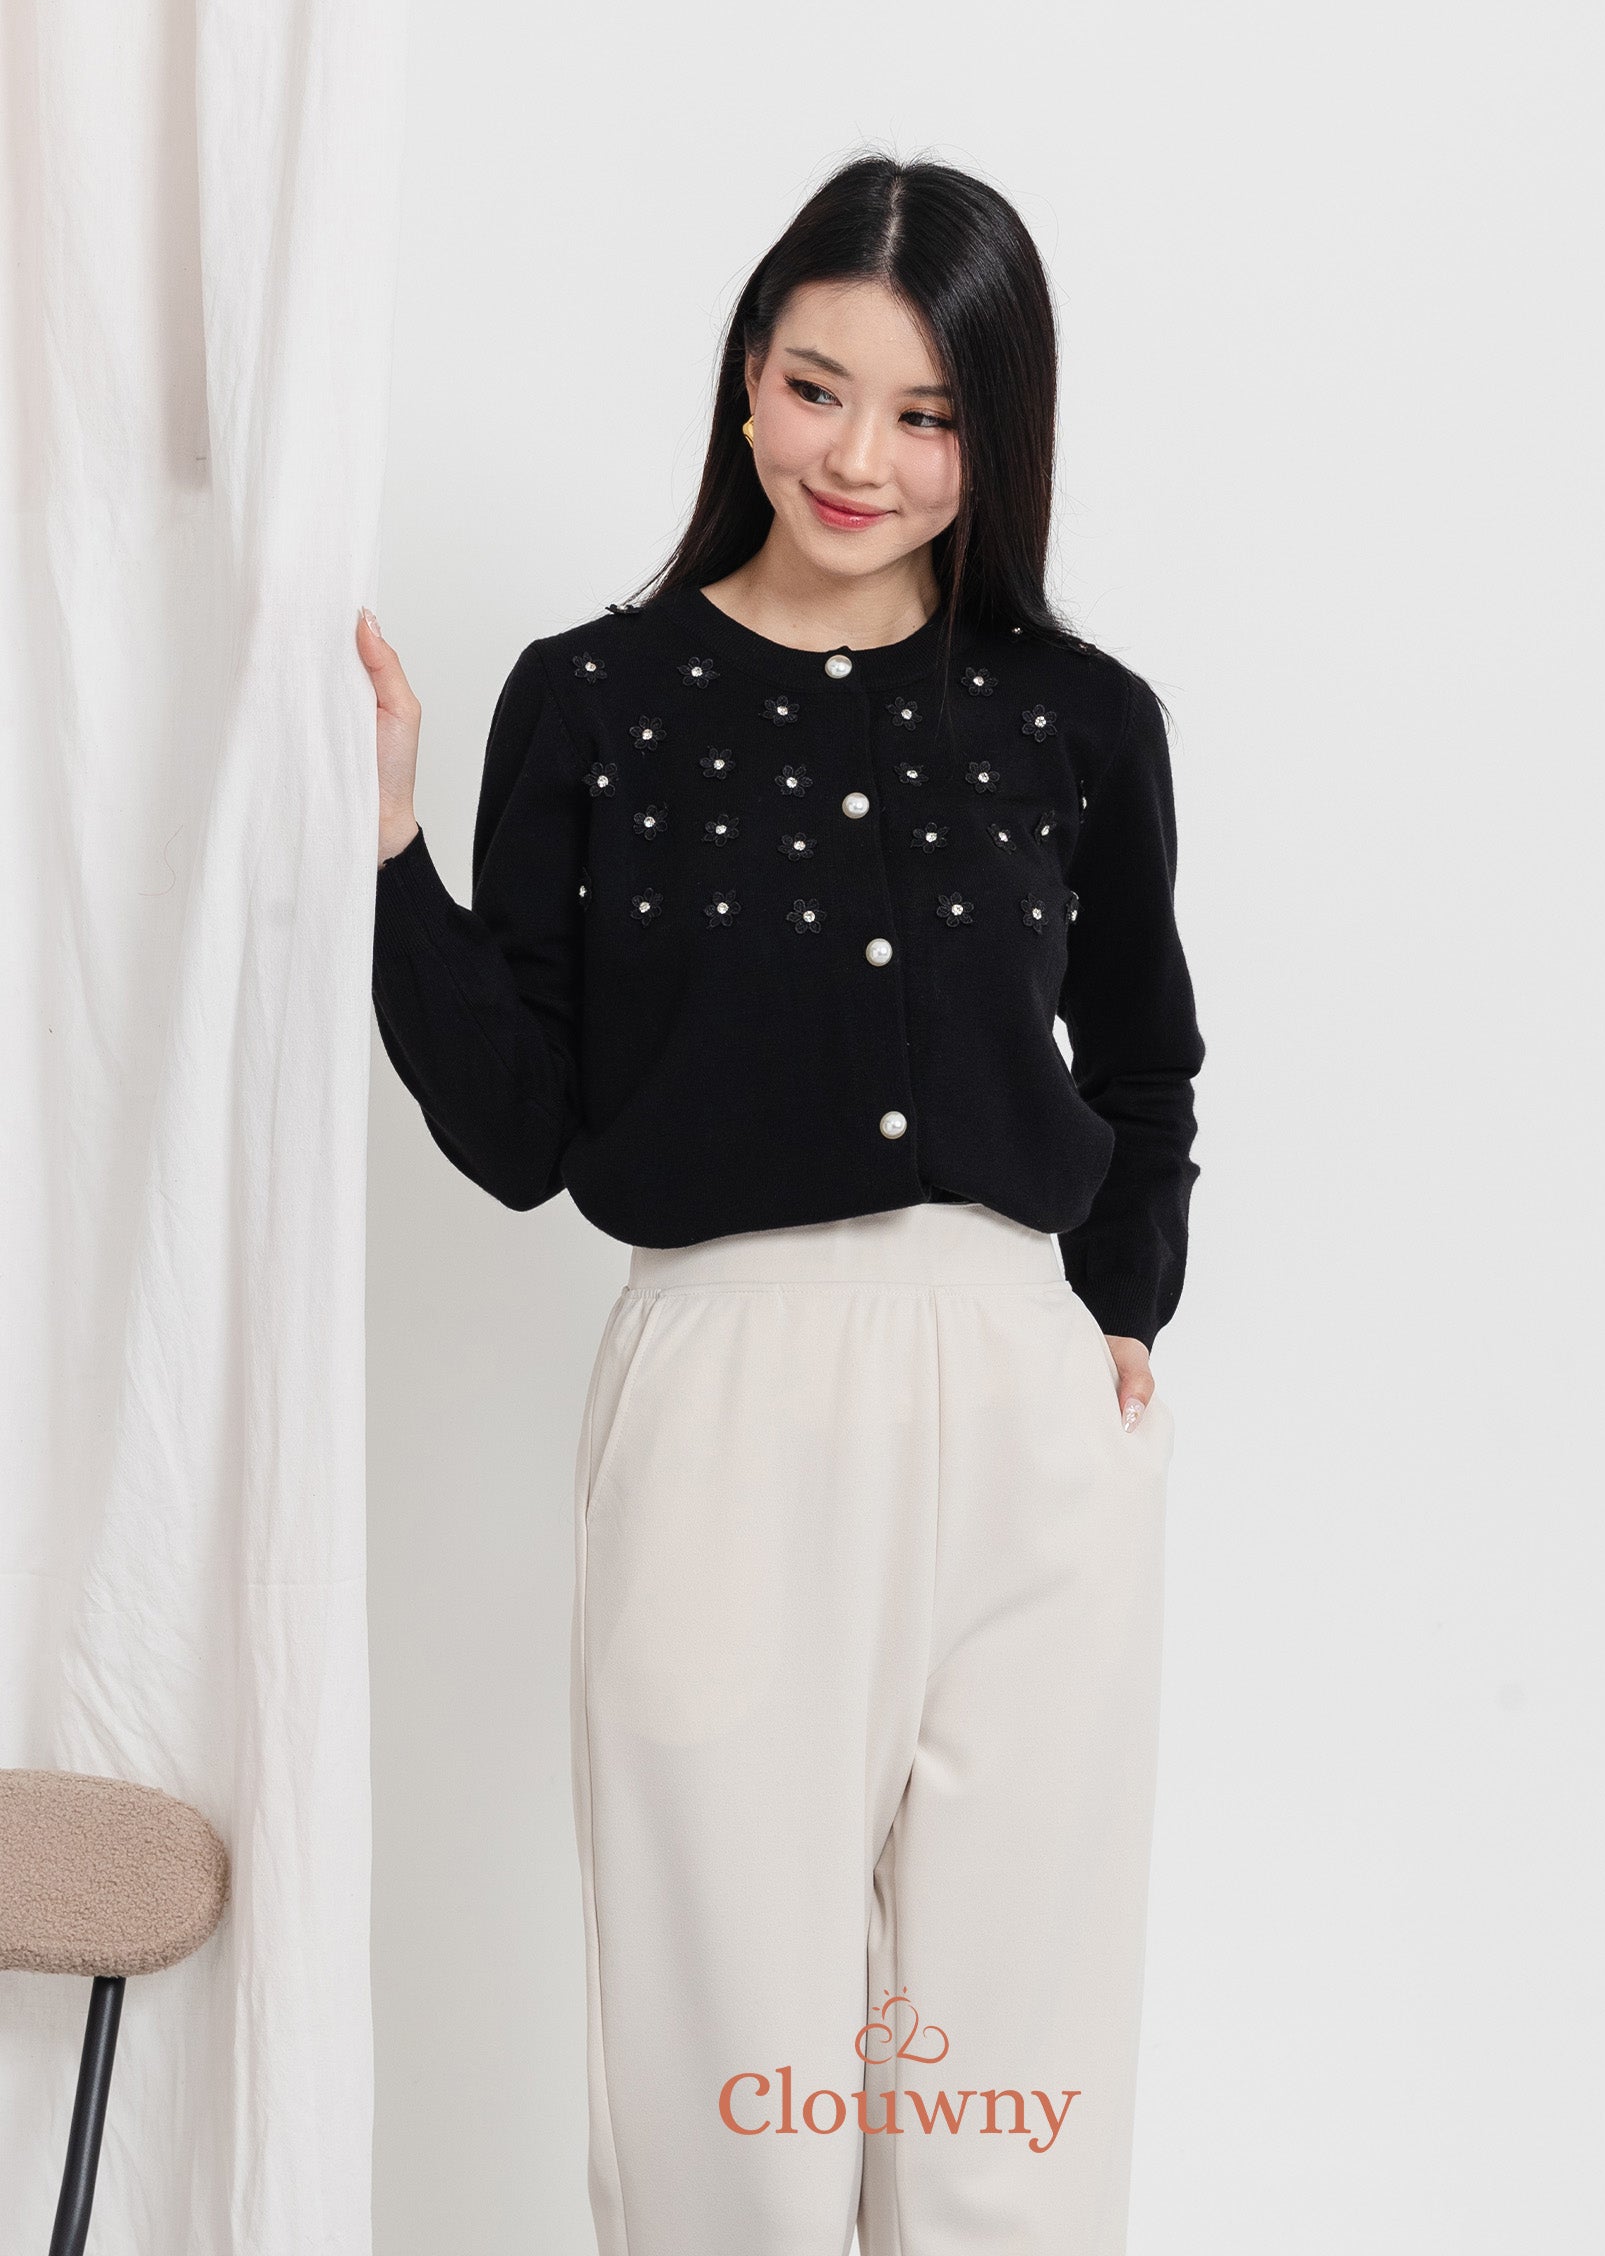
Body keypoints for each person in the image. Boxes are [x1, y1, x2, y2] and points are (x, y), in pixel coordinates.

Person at [357, 151, 1204, 2256]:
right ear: (747, 378)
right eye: (820, 389)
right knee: (725, 2069)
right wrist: (387, 861)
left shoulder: (1080, 720)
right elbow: (524, 1127)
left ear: (995, 439)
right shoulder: (596, 698)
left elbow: (1145, 1060)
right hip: (724, 1387)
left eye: (928, 416)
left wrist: (1121, 1313)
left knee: (1013, 2087)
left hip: (1023, 1398)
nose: (860, 459)